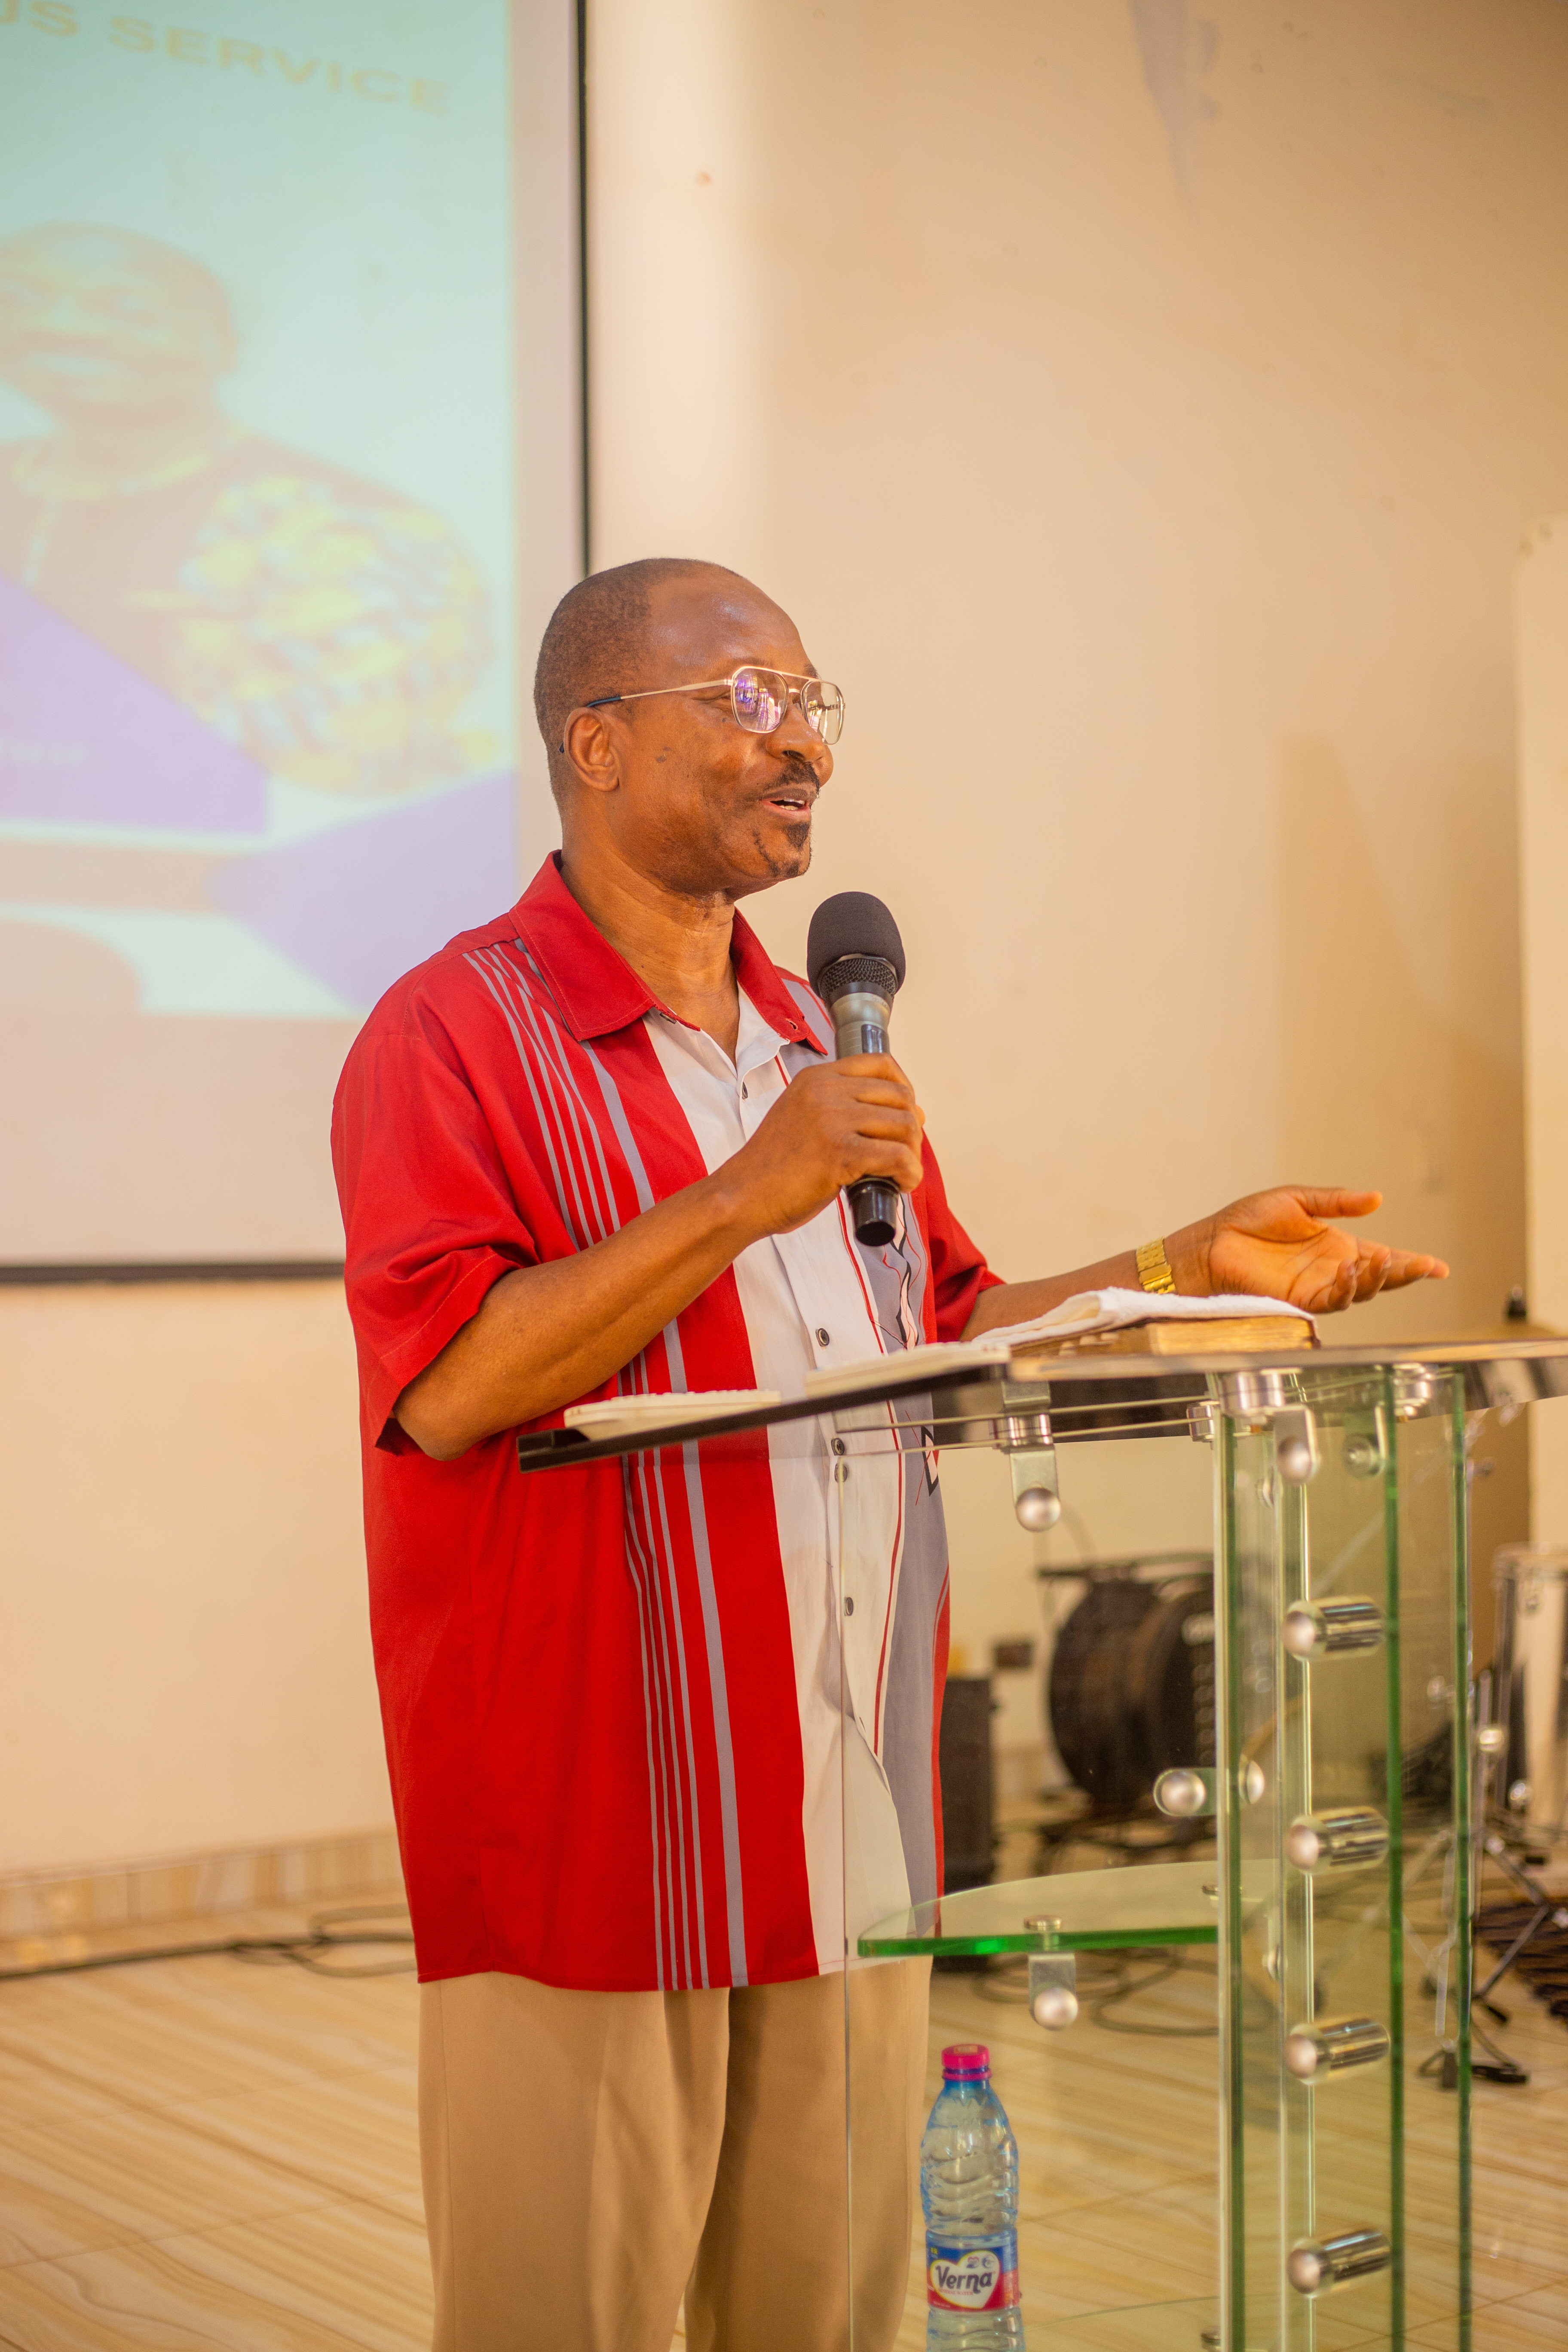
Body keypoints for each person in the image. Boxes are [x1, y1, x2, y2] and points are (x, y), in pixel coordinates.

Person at [331, 556, 1447, 2352]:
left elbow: (946, 1321)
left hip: (847, 1814)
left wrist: (1184, 1267)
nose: (808, 748)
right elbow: (452, 1386)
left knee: (827, 2325)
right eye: (750, 700)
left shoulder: (811, 1040)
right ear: (597, 744)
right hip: (598, 1838)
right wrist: (746, 1190)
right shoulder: (455, 1031)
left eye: (813, 702)